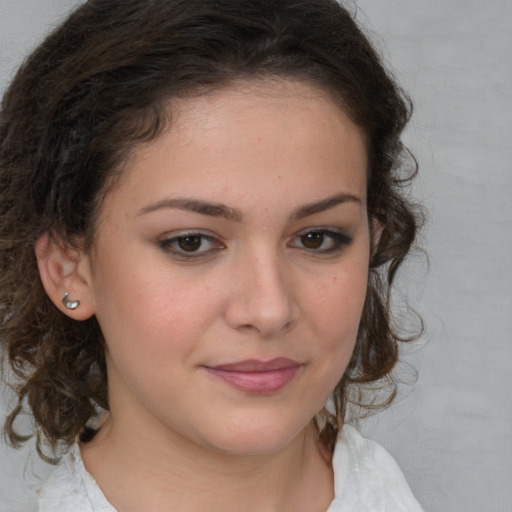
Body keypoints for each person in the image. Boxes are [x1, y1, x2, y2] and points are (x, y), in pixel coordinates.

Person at [0, 0, 424, 510]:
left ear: (372, 242)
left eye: (317, 238)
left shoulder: (381, 485)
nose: (269, 310)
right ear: (70, 269)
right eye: (192, 242)